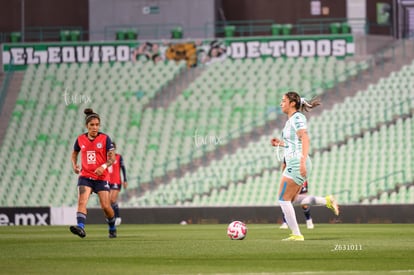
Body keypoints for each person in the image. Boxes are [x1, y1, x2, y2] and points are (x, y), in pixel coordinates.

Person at [270, 91, 321, 241]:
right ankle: (325, 201)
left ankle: (297, 234)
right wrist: (279, 143)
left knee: (283, 199)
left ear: (292, 103)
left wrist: (302, 161)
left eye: (283, 100)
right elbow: (294, 142)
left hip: (297, 162)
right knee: (289, 199)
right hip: (295, 161)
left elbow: (304, 138)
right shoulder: (291, 120)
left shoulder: (298, 117)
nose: (281, 103)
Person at [70, 108, 117, 238]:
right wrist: (74, 165)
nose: (95, 127)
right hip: (85, 176)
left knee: (106, 206)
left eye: (97, 125)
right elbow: (74, 153)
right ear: (87, 126)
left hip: (102, 177)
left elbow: (112, 158)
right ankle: (81, 227)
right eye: (92, 125)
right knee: (82, 202)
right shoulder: (80, 139)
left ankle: (112, 226)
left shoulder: (105, 139)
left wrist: (103, 166)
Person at [278, 160, 339, 230]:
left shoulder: (291, 153)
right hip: (295, 176)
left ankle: (307, 221)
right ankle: (288, 224)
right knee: (288, 201)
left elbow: (285, 165)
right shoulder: (292, 154)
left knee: (287, 201)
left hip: (294, 176)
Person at [108, 142, 128, 226]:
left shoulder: (118, 157)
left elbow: (123, 168)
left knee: (112, 199)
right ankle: (112, 217)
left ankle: (118, 217)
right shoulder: (105, 158)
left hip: (116, 181)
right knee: (108, 201)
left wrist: (125, 180)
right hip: (107, 181)